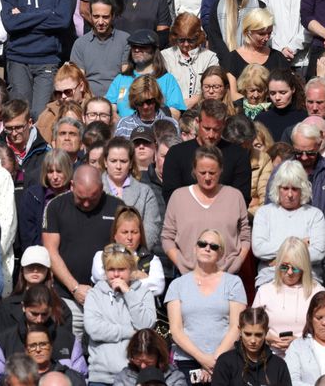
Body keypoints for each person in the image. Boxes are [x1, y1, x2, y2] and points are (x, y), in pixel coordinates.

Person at [42, 164, 122, 337]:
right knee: (71, 354)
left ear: (101, 189)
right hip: (68, 297)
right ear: (72, 186)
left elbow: (125, 250)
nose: (86, 203)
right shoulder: (56, 206)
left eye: (92, 198)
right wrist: (75, 288)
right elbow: (50, 251)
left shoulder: (117, 207)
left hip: (107, 299)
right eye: (81, 197)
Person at [165, 229, 247, 383]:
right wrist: (203, 359)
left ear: (221, 253)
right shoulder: (177, 285)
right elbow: (176, 331)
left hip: (225, 360)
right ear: (195, 249)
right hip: (187, 361)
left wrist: (214, 361)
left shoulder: (234, 283)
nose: (207, 248)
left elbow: (237, 327)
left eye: (214, 246)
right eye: (202, 244)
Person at [162, 146, 251, 275]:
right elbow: (167, 236)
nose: (207, 178)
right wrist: (181, 264)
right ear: (194, 171)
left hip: (227, 275)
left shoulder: (235, 196)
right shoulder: (179, 197)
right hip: (188, 276)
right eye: (202, 173)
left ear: (221, 170)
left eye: (212, 173)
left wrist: (236, 263)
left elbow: (245, 236)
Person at [83, 244, 157, 386]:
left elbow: (145, 326)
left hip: (133, 376)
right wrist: (129, 331)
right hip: (100, 377)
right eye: (111, 269)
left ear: (131, 270)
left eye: (121, 269)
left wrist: (128, 293)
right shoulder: (94, 294)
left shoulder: (144, 293)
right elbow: (94, 329)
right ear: (105, 271)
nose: (116, 274)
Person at [162, 99, 252, 205]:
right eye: (207, 128)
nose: (211, 135)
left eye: (216, 129)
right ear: (197, 122)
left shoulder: (238, 155)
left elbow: (241, 198)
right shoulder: (176, 154)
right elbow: (171, 195)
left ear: (224, 125)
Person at [252, 160, 325, 286]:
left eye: (295, 189)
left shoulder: (315, 214)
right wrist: (300, 245)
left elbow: (318, 253)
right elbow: (259, 249)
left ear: (302, 189)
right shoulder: (264, 213)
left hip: (307, 279)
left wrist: (278, 260)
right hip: (270, 278)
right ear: (277, 188)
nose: (290, 194)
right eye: (285, 188)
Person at [252, 237, 325, 358]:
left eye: (295, 267)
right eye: (284, 267)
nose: (290, 272)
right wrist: (265, 337)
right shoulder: (265, 291)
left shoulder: (317, 292)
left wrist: (300, 342)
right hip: (270, 357)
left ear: (304, 267)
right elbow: (251, 326)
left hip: (307, 357)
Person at [211, 307, 292, 386]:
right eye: (248, 334)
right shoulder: (225, 362)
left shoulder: (279, 365)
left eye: (258, 335)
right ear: (240, 330)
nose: (253, 340)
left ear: (266, 332)